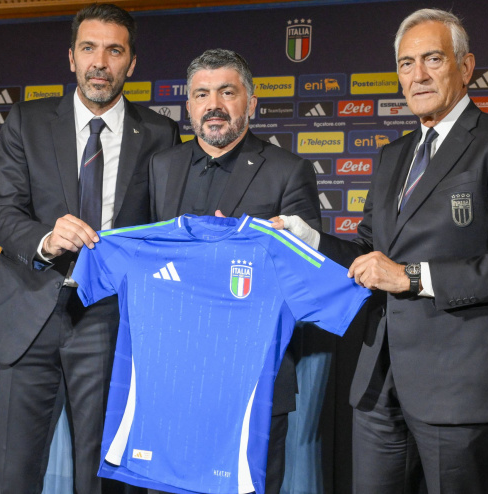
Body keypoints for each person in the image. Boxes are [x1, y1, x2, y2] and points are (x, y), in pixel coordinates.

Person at [274, 8, 488, 494]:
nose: (417, 75)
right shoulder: (392, 155)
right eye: (406, 64)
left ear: (465, 68)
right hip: (380, 381)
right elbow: (368, 252)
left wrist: (412, 277)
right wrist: (309, 238)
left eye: (432, 60)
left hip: (461, 387)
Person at [0, 4, 180, 493]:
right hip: (30, 314)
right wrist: (45, 239)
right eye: (89, 48)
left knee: (103, 476)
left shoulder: (159, 134)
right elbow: (1, 213)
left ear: (131, 64)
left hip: (110, 321)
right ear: (71, 57)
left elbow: (166, 231)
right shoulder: (25, 121)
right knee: (14, 473)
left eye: (114, 51)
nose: (100, 62)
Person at [147, 48, 321, 494]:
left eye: (228, 91)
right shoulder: (161, 167)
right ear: (188, 107)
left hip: (253, 381)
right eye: (201, 94)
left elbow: (304, 277)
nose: (214, 104)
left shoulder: (289, 171)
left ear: (252, 102)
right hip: (172, 379)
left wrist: (239, 248)